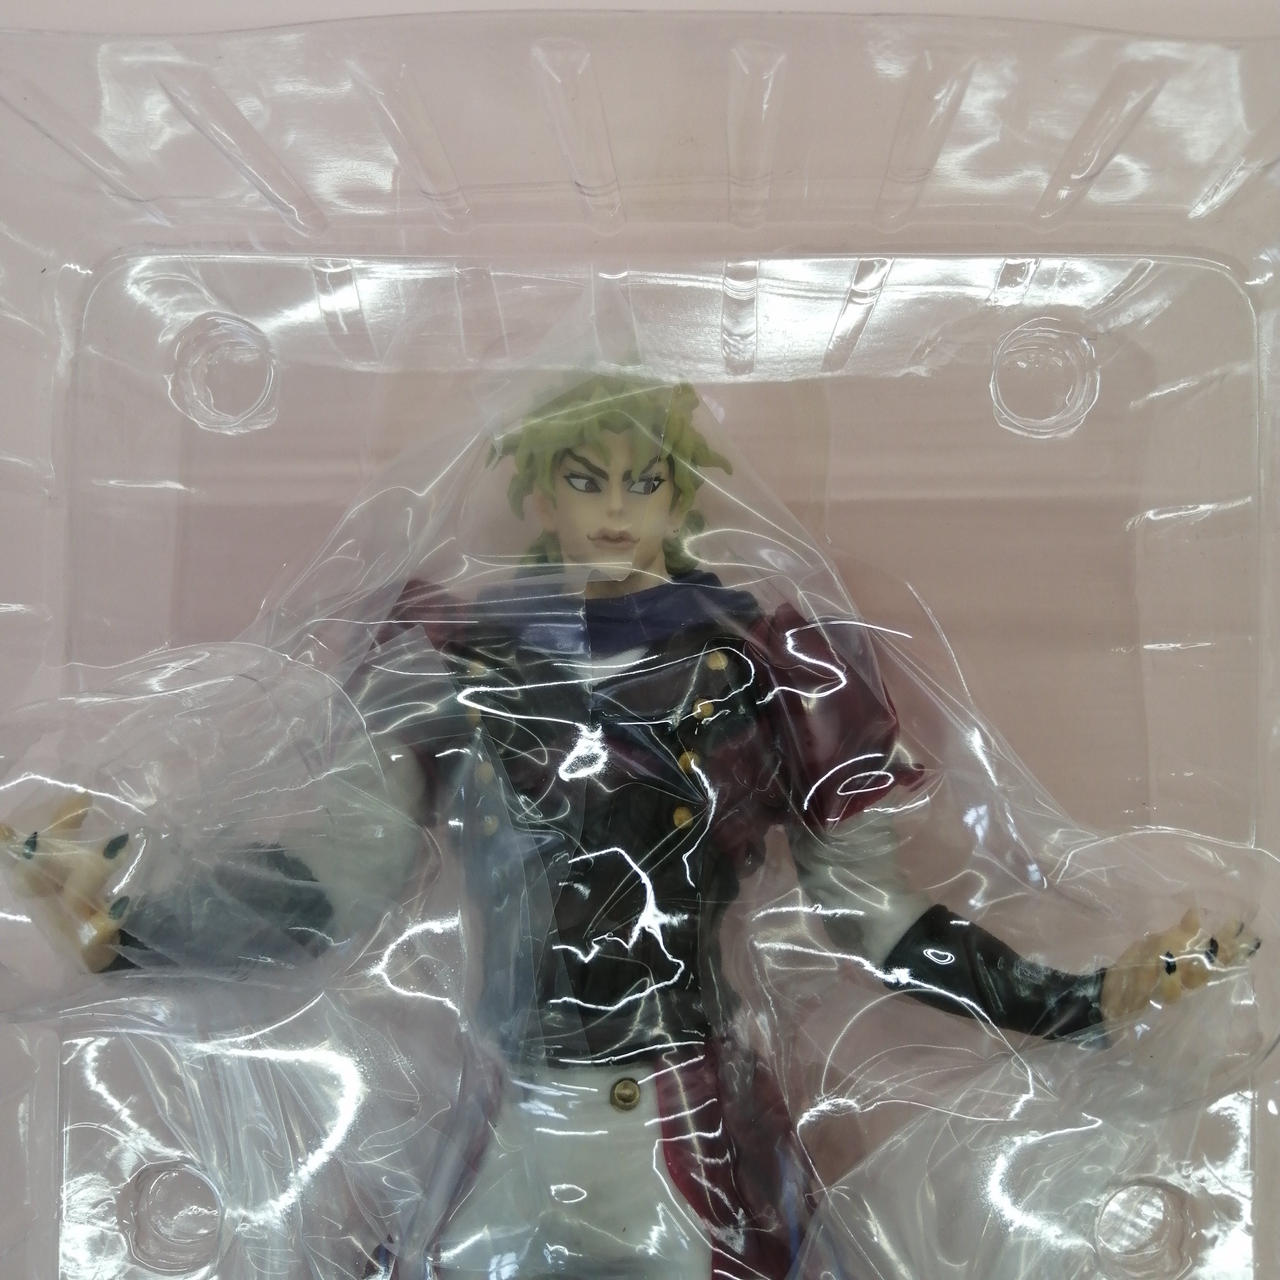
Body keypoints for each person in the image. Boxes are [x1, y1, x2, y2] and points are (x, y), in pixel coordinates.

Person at [4, 375, 1256, 1279]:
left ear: (679, 495)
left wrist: (1078, 1001)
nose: (612, 507)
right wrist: (143, 928)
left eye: (641, 479)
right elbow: (350, 868)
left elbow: (871, 911)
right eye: (583, 477)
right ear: (539, 492)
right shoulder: (458, 653)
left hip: (684, 1108)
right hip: (514, 1104)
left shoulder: (767, 666)